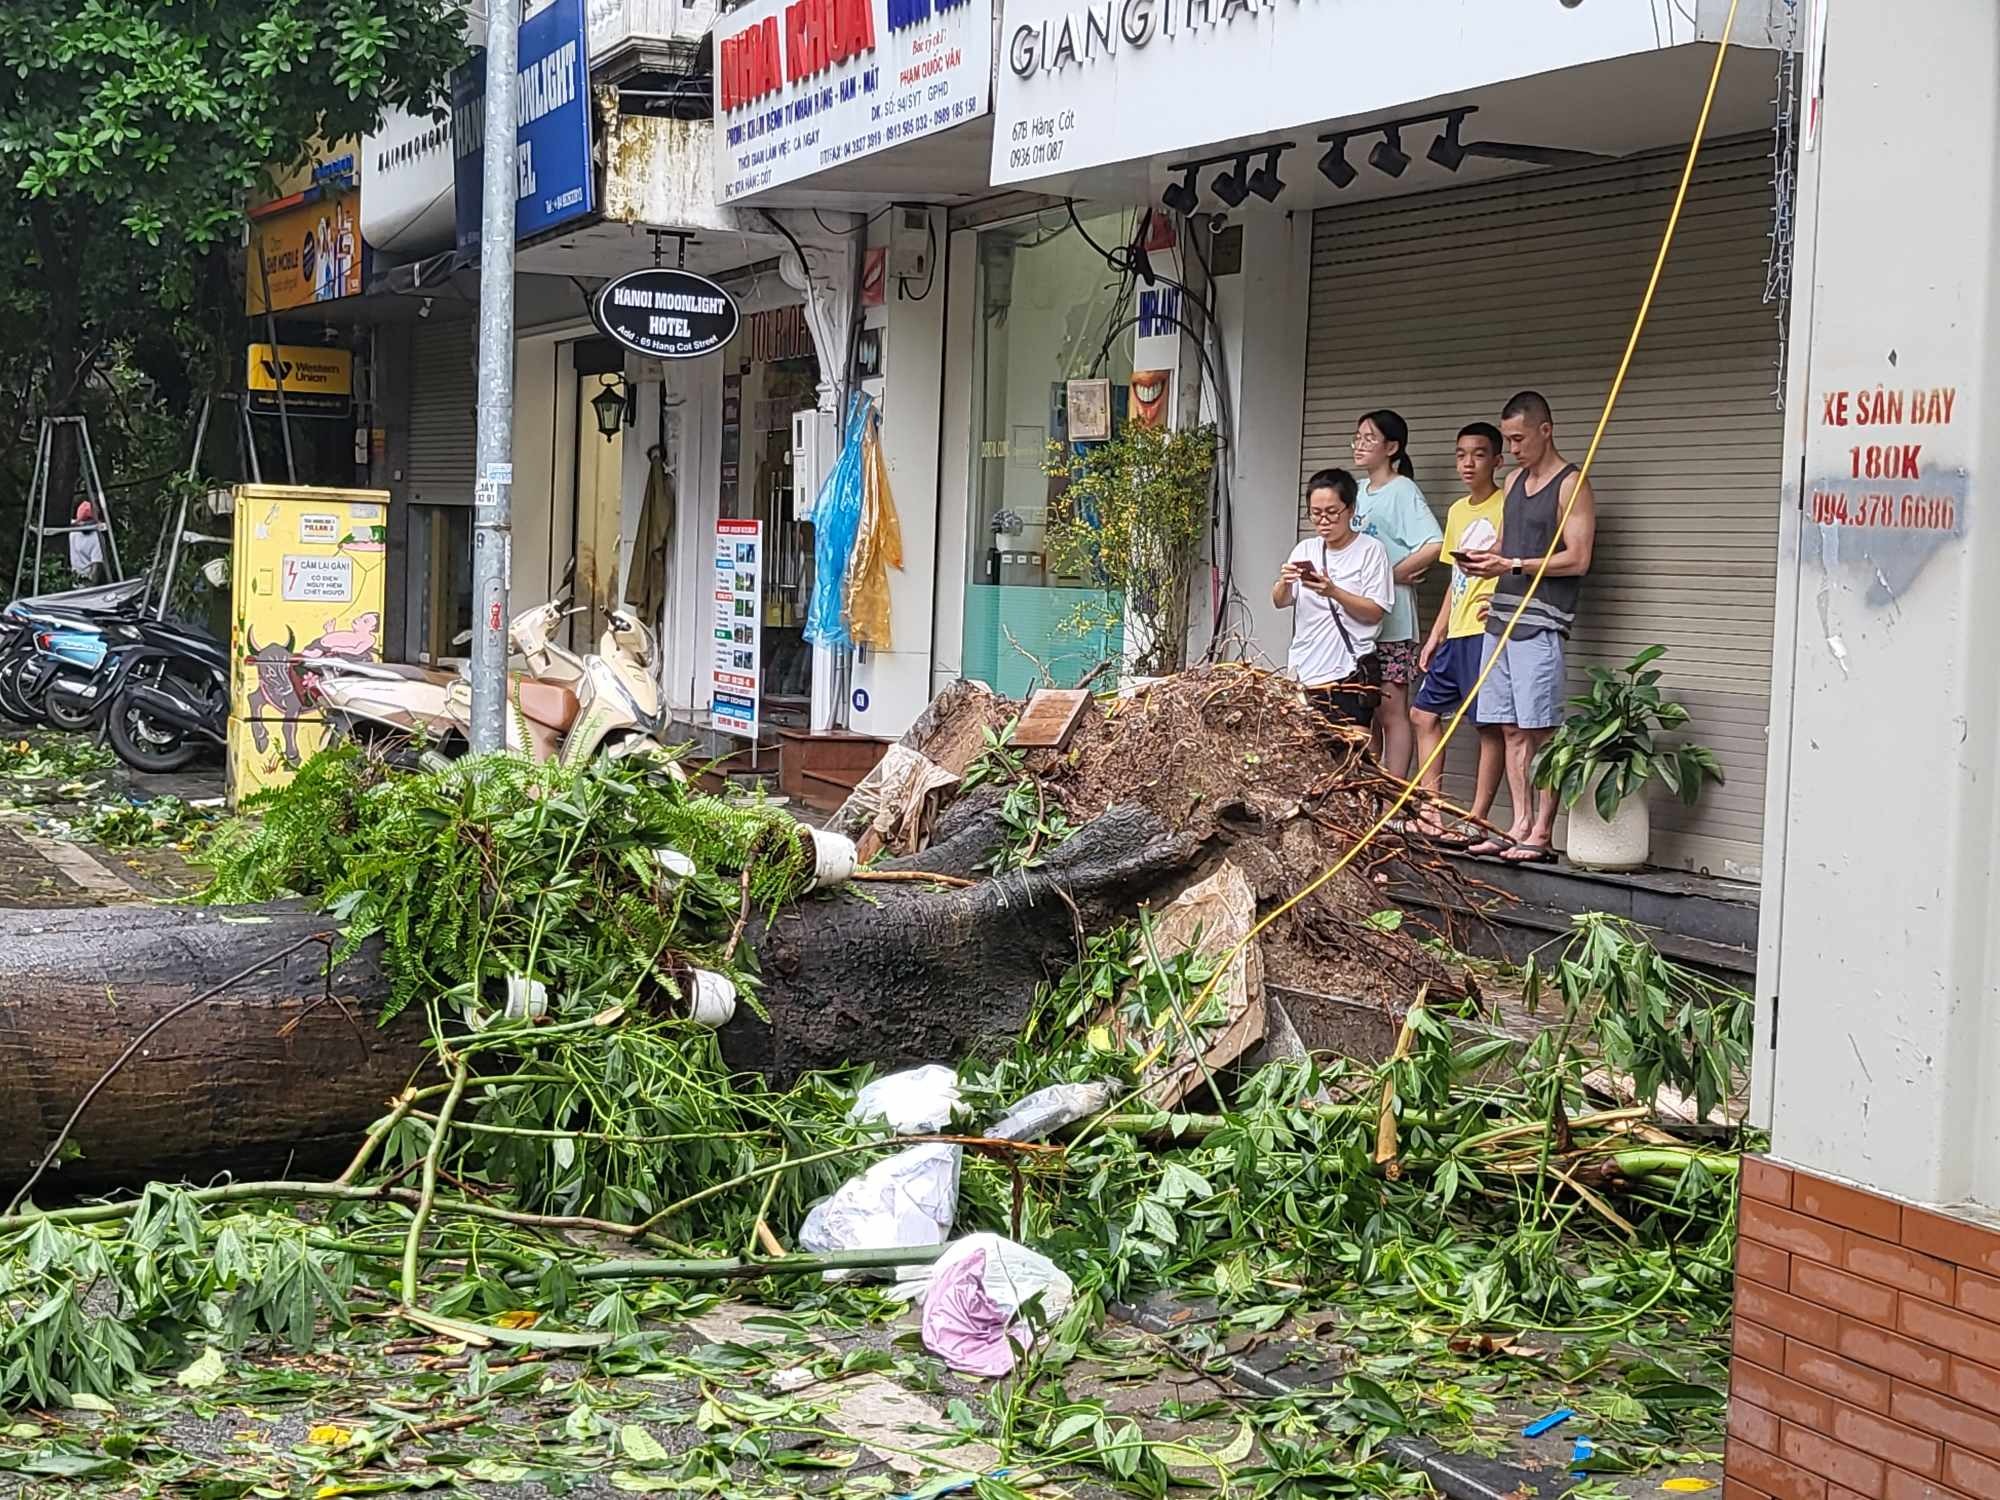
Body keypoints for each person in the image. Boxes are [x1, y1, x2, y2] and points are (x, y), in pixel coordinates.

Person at [1459, 391, 1597, 863]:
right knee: (1509, 726)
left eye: (1519, 438)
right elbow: (1508, 542)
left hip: (1542, 622)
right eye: (1507, 440)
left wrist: (1512, 563)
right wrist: (1485, 562)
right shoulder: (1515, 480)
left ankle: (1542, 829)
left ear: (1546, 429)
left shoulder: (1571, 483)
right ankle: (1517, 821)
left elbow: (1577, 558)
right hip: (1501, 615)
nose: (1512, 449)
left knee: (1540, 728)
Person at [1410, 423, 1508, 842]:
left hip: (1488, 633)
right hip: (1458, 631)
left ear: (1498, 461)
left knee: (1487, 725)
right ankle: (1431, 813)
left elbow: (1517, 563)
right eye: (1461, 455)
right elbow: (1456, 579)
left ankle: (1477, 818)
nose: (1468, 463)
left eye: (1479, 454)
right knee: (1423, 713)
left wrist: (1502, 607)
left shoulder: (1509, 505)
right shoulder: (1457, 511)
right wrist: (1436, 634)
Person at [1351, 410, 1442, 779]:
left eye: (1369, 438)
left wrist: (1388, 577)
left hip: (1394, 624)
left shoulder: (1402, 489)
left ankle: (1394, 792)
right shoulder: (1355, 491)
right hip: (1358, 623)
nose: (1359, 445)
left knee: (1392, 709)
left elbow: (1434, 543)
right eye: (1356, 437)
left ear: (1392, 447)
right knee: (1364, 708)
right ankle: (1367, 789)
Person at [1273, 468, 1393, 730]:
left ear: (1350, 509)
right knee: (1308, 755)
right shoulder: (1305, 549)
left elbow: (1375, 611)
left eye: (1331, 512)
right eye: (1316, 513)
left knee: (1351, 754)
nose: (1323, 521)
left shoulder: (1371, 551)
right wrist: (1284, 581)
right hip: (1305, 669)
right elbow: (1280, 601)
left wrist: (1333, 592)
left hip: (1349, 670)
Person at [68, 499, 104, 584]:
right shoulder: (73, 532)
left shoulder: (97, 537)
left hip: (86, 581)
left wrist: (90, 585)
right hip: (75, 579)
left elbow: (96, 566)